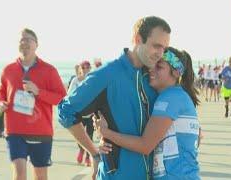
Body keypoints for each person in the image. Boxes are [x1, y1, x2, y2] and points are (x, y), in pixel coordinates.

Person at [58, 16, 171, 179]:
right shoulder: (107, 75)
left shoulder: (151, 77)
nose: (161, 54)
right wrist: (94, 152)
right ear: (138, 39)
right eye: (156, 46)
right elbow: (66, 111)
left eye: (164, 48)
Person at [95, 47, 201, 180]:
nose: (151, 69)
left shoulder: (170, 98)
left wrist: (107, 133)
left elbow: (145, 145)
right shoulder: (178, 96)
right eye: (151, 65)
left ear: (175, 72)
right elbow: (198, 135)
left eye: (159, 67)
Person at [0, 28, 66, 180]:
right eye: (21, 40)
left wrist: (39, 92)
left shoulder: (49, 70)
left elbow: (61, 98)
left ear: (36, 44)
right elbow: (1, 91)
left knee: (40, 176)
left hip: (41, 131)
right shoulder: (8, 70)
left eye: (28, 39)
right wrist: (0, 103)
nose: (24, 43)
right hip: (14, 130)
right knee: (19, 174)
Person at [68, 60, 94, 166]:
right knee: (79, 136)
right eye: (83, 68)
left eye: (88, 68)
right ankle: (81, 150)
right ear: (79, 69)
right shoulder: (75, 80)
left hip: (91, 113)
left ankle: (88, 157)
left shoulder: (93, 80)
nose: (86, 70)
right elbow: (69, 95)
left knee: (90, 136)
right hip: (79, 113)